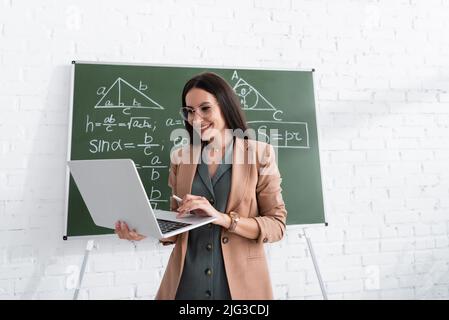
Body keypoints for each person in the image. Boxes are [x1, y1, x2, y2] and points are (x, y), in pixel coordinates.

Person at [115, 72, 287, 300]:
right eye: (189, 111)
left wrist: (221, 218)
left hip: (241, 285)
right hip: (186, 283)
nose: (196, 119)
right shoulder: (180, 157)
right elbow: (179, 222)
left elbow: (277, 225)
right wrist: (145, 231)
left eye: (205, 108)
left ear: (225, 106)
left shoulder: (259, 153)